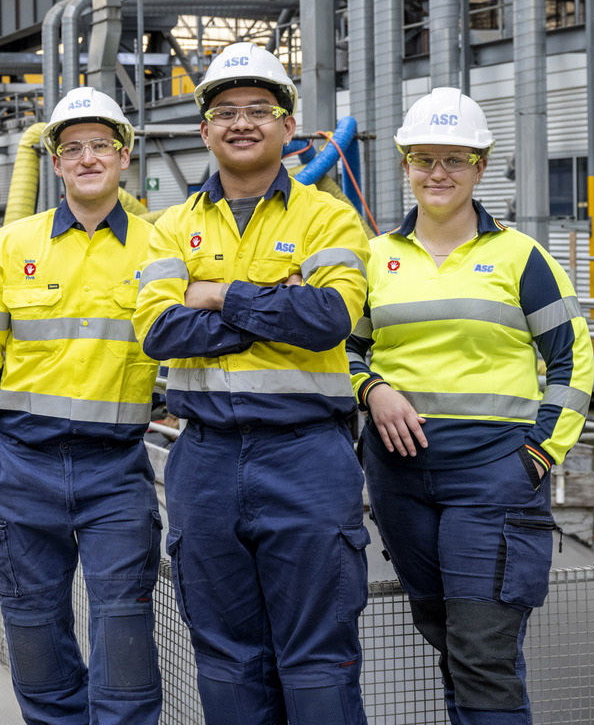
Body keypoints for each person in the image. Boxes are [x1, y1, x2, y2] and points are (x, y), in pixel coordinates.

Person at [133, 42, 372, 725]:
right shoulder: (170, 228)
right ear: (205, 130)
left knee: (319, 662)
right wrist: (272, 303)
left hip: (306, 457)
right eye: (226, 112)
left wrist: (215, 293)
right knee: (227, 662)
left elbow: (328, 319)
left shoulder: (327, 218)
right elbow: (159, 333)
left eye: (260, 110)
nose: (243, 123)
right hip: (204, 459)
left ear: (288, 127)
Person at [346, 87, 593, 724]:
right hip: (401, 479)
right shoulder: (376, 258)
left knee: (483, 652)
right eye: (424, 159)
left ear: (480, 166)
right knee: (447, 640)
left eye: (455, 160)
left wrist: (540, 453)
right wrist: (373, 389)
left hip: (495, 477)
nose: (438, 173)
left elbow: (572, 360)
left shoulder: (520, 257)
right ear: (404, 164)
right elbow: (342, 354)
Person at [0, 86, 163, 725]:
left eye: (101, 145)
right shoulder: (12, 246)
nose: (88, 158)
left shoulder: (160, 247)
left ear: (124, 155)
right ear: (55, 162)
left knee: (124, 634)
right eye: (73, 148)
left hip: (116, 472)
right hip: (21, 466)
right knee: (35, 631)